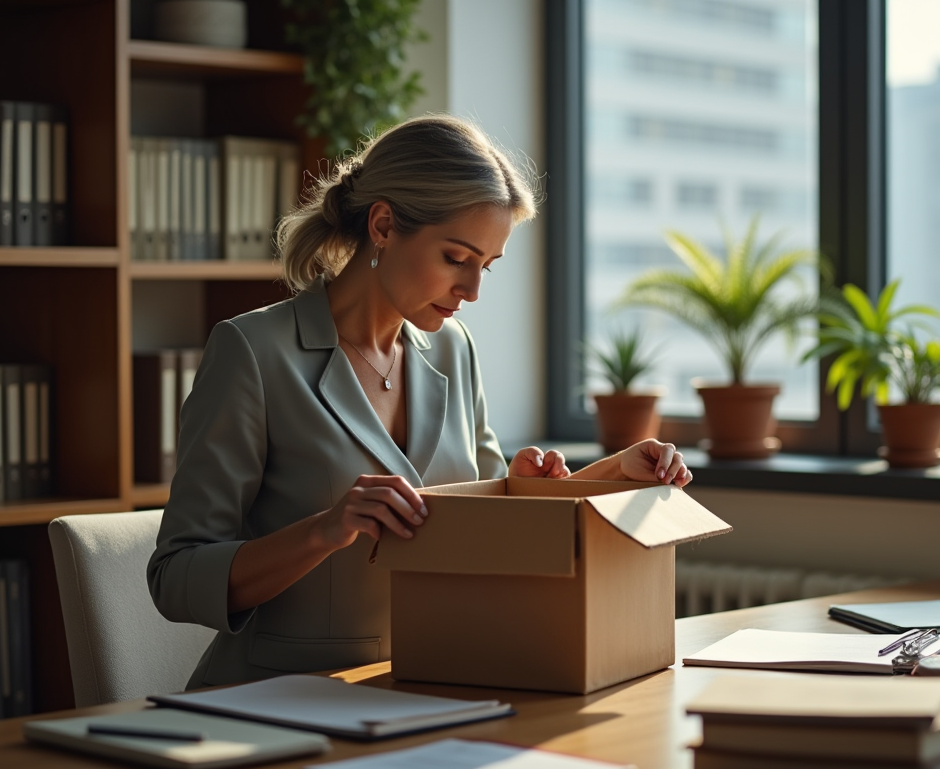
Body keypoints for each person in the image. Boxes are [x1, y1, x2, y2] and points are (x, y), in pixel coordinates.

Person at [147, 114, 693, 688]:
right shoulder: (253, 352)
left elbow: (490, 530)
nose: (473, 290)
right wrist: (324, 530)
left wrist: (608, 476)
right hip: (281, 703)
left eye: (486, 265)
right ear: (383, 225)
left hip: (438, 689)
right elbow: (176, 578)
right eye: (456, 258)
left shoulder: (452, 349)